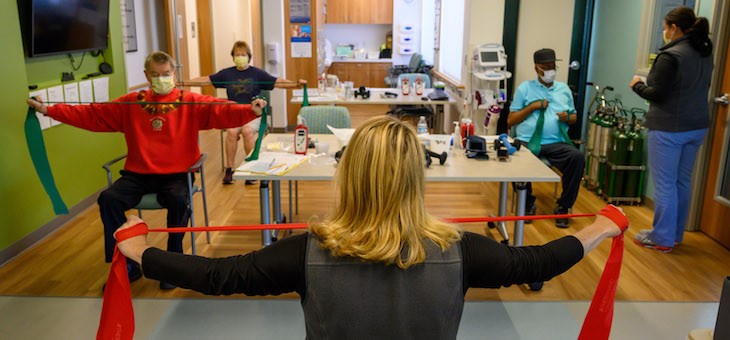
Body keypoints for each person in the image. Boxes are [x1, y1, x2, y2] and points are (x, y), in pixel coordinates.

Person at [114, 115, 627, 338]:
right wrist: (600, 227)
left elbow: (217, 276)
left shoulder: (304, 252)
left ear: (351, 177)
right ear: (415, 179)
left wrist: (141, 251)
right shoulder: (463, 250)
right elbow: (539, 261)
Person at [26, 51, 267, 289]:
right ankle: (128, 264)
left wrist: (250, 111)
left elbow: (221, 109)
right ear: (146, 75)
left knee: (178, 199)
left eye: (166, 73)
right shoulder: (131, 102)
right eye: (155, 74)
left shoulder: (189, 101)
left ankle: (173, 266)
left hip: (176, 174)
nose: (161, 78)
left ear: (173, 73)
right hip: (138, 175)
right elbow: (92, 113)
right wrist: (49, 110)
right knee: (108, 199)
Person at [629, 7, 713, 253]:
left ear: (674, 28)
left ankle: (662, 238)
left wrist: (636, 85)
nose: (664, 31)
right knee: (681, 182)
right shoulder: (703, 52)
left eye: (665, 27)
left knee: (665, 184)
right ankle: (674, 234)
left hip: (669, 129)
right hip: (697, 126)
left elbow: (659, 94)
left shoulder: (671, 56)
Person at [185, 41, 305, 185]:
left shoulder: (257, 73)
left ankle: (251, 167)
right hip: (234, 114)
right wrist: (183, 83)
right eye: (237, 54)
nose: (240, 57)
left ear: (248, 56)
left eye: (243, 54)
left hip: (253, 113)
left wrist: (296, 84)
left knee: (247, 131)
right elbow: (206, 80)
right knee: (231, 132)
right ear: (233, 57)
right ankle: (229, 169)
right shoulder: (227, 73)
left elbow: (277, 82)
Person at [508, 48, 584, 228]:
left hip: (556, 143)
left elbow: (574, 116)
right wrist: (532, 107)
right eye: (546, 67)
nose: (551, 71)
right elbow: (511, 120)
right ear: (537, 69)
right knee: (515, 157)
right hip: (527, 140)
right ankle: (526, 204)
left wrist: (568, 117)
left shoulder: (563, 89)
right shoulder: (525, 88)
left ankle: (563, 207)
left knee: (577, 158)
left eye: (553, 66)